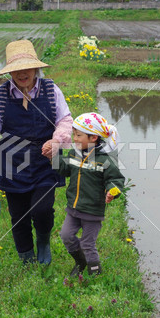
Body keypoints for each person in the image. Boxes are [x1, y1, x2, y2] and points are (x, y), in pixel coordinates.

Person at [0, 40, 72, 265]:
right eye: (16, 70)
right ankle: (26, 259)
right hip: (12, 161)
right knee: (18, 216)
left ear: (36, 68)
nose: (22, 73)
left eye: (27, 68)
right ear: (10, 72)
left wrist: (56, 141)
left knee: (42, 210)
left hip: (45, 160)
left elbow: (65, 121)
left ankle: (43, 241)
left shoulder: (51, 90)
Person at [52, 112, 125, 276]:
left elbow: (115, 179)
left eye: (78, 135)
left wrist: (112, 191)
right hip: (74, 209)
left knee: (87, 243)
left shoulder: (104, 160)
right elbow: (63, 170)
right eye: (74, 134)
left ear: (93, 138)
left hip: (92, 211)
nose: (75, 138)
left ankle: (95, 273)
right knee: (66, 236)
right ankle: (80, 261)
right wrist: (55, 154)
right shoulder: (74, 154)